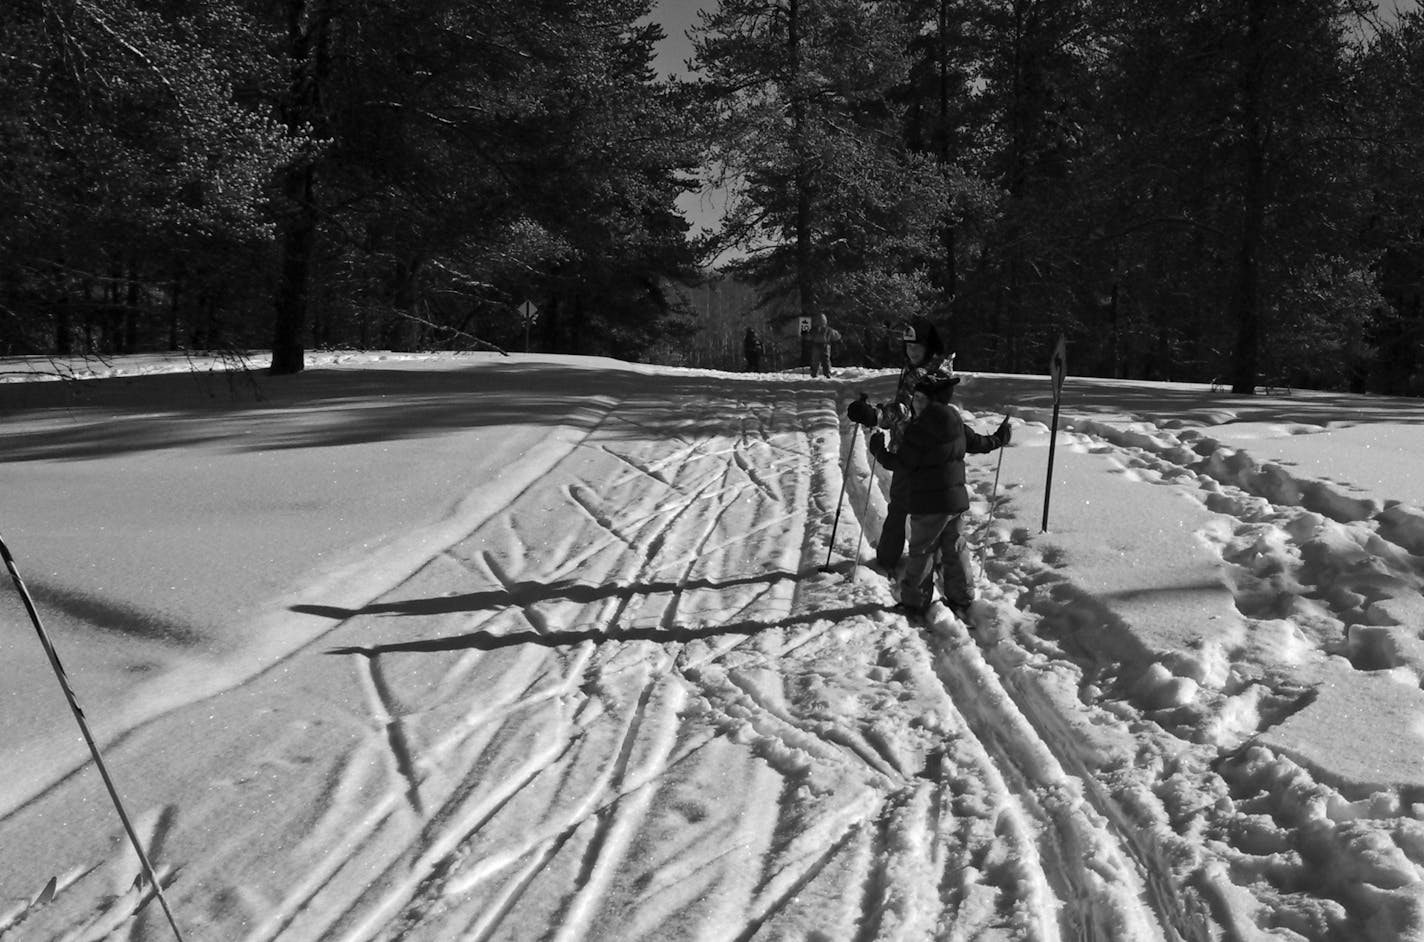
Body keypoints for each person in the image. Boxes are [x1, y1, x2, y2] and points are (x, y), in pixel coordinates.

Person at [865, 369, 1011, 617]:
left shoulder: (919, 428)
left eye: (920, 398)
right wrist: (999, 438)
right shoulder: (955, 421)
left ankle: (915, 601)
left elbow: (903, 464)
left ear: (933, 401)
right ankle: (962, 595)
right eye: (915, 397)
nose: (915, 403)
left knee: (922, 550)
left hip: (929, 503)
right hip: (955, 502)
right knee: (954, 547)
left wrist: (878, 450)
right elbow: (979, 444)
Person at [847, 316, 949, 572]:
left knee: (909, 508)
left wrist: (877, 416)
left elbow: (907, 409)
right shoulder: (922, 369)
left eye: (917, 346)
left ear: (929, 347)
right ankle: (908, 558)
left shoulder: (928, 375)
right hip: (916, 450)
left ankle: (910, 561)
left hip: (918, 453)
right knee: (911, 508)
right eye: (908, 346)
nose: (911, 350)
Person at [808, 313, 841, 377]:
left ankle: (814, 373)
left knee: (815, 360)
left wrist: (805, 336)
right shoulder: (829, 329)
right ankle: (827, 373)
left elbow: (808, 337)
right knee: (826, 360)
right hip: (825, 346)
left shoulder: (814, 330)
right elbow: (837, 336)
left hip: (816, 346)